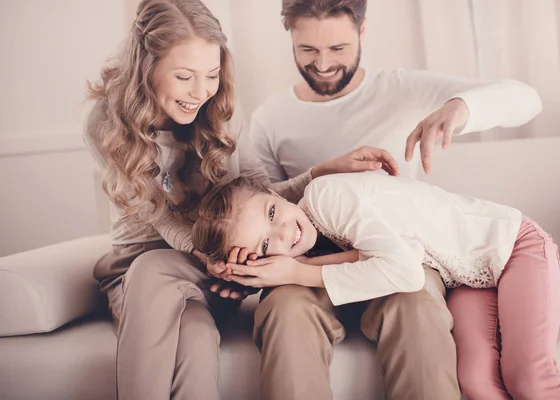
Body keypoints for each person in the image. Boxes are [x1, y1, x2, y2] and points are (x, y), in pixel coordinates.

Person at [83, 0, 398, 399]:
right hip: (143, 266)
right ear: (146, 68)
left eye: (211, 75)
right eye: (183, 76)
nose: (200, 92)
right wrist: (212, 255)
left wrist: (321, 172)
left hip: (213, 264)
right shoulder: (106, 122)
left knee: (193, 325)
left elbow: (258, 198)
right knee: (185, 322)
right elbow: (156, 217)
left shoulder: (220, 111)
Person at [241, 0, 543, 398]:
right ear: (290, 36)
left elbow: (525, 98)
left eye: (338, 49)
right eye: (308, 50)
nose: (323, 65)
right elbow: (256, 202)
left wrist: (460, 107)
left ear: (363, 32)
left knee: (416, 306)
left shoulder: (402, 88)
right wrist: (317, 174)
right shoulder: (270, 117)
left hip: (396, 255)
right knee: (284, 311)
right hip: (304, 262)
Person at [192, 172, 560, 400]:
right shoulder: (317, 228)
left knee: (529, 375)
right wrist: (271, 270)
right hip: (471, 281)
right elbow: (367, 256)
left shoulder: (325, 197)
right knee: (475, 379)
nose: (282, 232)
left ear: (277, 194)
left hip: (515, 247)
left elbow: (406, 271)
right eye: (264, 245)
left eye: (272, 212)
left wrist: (296, 272)